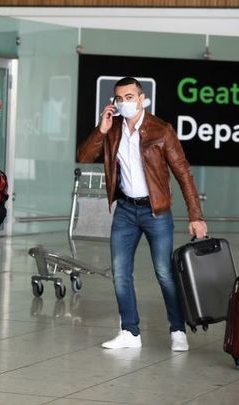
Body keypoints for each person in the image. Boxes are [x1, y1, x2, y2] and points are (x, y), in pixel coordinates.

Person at [77, 76, 207, 351]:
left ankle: (177, 330)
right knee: (121, 273)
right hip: (125, 210)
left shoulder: (161, 131)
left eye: (129, 97)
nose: (124, 102)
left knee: (164, 272)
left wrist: (196, 216)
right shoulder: (112, 130)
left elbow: (184, 174)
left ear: (142, 98)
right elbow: (84, 156)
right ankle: (130, 331)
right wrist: (101, 129)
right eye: (119, 98)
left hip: (156, 211)